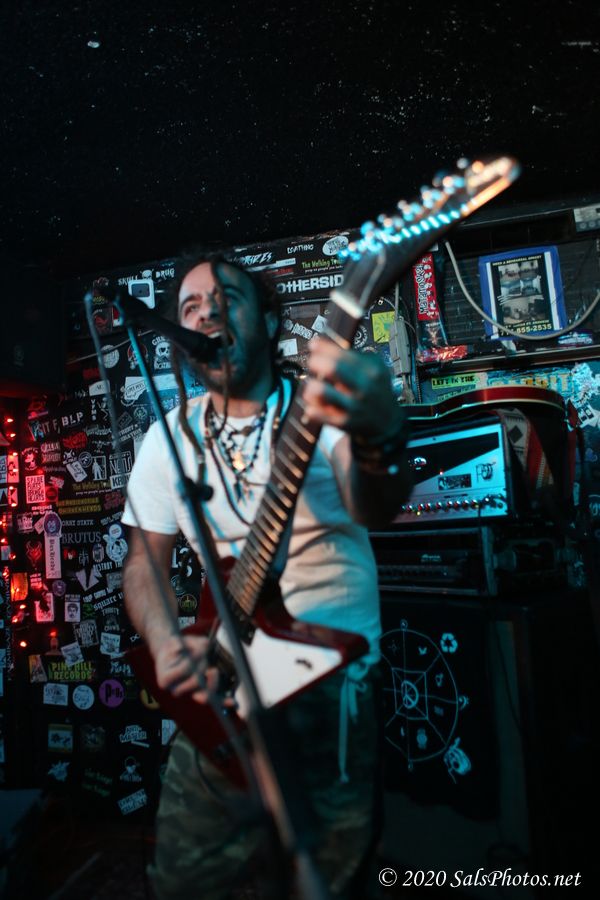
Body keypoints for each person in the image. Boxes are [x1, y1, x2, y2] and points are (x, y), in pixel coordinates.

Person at [121, 249, 413, 899]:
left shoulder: (321, 414)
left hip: (329, 687)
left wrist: (381, 435)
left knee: (328, 881)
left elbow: (377, 505)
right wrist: (165, 643)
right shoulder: (167, 442)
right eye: (191, 307)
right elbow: (143, 562)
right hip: (221, 691)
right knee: (183, 882)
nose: (206, 313)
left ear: (271, 319)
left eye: (226, 298)